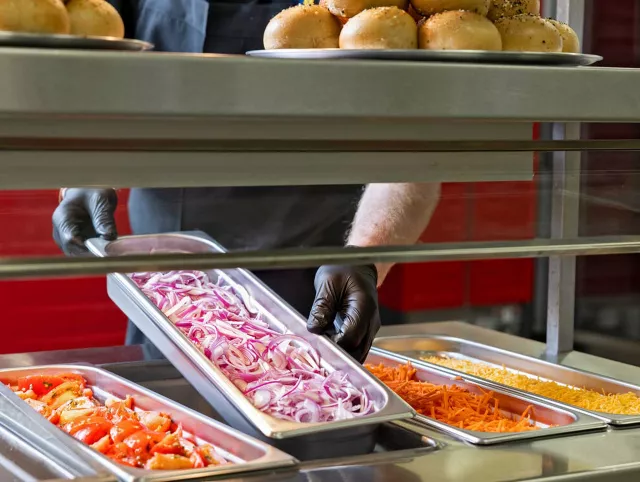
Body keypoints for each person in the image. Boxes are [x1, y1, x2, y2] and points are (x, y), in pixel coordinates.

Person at [52, 0, 442, 363]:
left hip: (323, 284)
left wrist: (368, 258)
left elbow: (417, 135)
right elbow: (90, 76)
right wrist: (83, 175)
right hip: (170, 286)